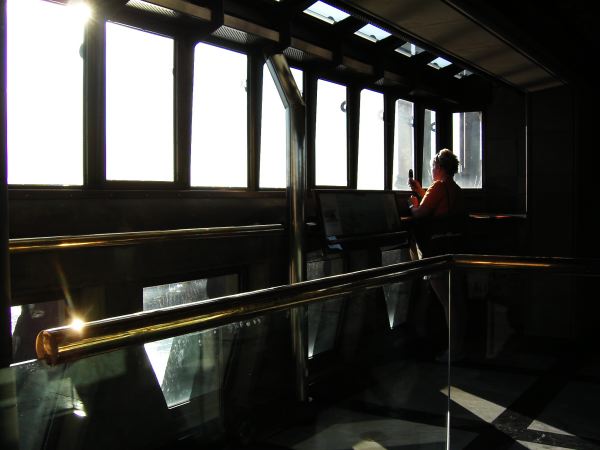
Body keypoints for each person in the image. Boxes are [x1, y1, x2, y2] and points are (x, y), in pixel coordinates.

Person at [408, 149, 466, 362]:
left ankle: (454, 350)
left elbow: (421, 213)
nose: (432, 170)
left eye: (433, 167)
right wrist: (421, 192)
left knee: (447, 302)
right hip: (454, 247)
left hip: (438, 250)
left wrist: (412, 205)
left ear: (439, 167)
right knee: (456, 301)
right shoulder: (455, 189)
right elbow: (440, 206)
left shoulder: (439, 186)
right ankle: (459, 345)